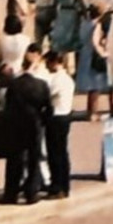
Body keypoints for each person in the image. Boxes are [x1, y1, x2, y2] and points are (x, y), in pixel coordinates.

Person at [0, 48, 51, 205]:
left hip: (16, 124)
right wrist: (42, 121)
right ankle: (31, 192)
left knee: (15, 159)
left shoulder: (14, 85)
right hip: (34, 124)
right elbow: (48, 107)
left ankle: (11, 192)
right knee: (34, 158)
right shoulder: (41, 85)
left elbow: (8, 106)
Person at [42, 51, 74, 198]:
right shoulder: (68, 78)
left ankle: (58, 186)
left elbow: (48, 94)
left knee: (55, 154)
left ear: (54, 62)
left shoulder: (58, 79)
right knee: (62, 153)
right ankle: (64, 185)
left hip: (56, 117)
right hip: (66, 116)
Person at [77, 2, 113, 119]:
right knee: (95, 86)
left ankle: (90, 110)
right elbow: (95, 42)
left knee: (90, 87)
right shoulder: (97, 25)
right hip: (93, 56)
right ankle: (93, 112)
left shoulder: (84, 23)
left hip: (84, 53)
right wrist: (104, 53)